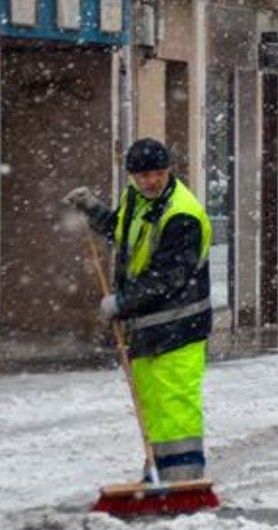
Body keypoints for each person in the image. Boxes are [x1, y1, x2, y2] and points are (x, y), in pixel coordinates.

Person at [64, 138, 213, 481]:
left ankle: (185, 481)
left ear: (168, 171)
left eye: (157, 173)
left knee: (176, 405)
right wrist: (93, 209)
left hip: (180, 326)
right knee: (152, 406)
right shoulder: (136, 199)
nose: (150, 181)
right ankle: (159, 473)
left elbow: (168, 276)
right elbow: (123, 231)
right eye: (142, 175)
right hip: (145, 327)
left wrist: (122, 302)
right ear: (132, 176)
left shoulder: (182, 214)